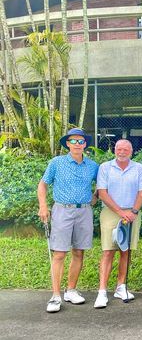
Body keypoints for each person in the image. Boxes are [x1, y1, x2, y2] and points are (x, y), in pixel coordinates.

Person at [37, 128, 99, 313]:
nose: (78, 144)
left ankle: (71, 290)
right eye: (74, 141)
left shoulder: (93, 165)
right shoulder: (57, 162)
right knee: (59, 254)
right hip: (62, 210)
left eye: (81, 141)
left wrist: (94, 196)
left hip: (84, 211)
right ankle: (55, 296)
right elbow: (43, 183)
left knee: (79, 252)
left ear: (85, 144)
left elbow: (103, 185)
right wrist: (42, 206)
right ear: (68, 144)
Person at [94, 139, 142, 308]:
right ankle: (102, 291)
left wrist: (134, 212)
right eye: (119, 149)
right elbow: (102, 193)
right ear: (114, 150)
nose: (122, 152)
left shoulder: (138, 168)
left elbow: (141, 193)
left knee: (126, 251)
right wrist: (119, 212)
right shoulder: (105, 167)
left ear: (131, 151)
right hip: (110, 212)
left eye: (125, 149)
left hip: (132, 213)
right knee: (108, 251)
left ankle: (120, 286)